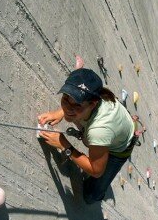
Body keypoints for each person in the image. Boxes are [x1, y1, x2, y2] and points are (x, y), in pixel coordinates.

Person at [38, 69, 136, 204]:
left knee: (91, 195)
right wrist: (62, 113)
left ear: (92, 104)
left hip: (120, 149)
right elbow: (73, 104)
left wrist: (65, 145)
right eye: (66, 98)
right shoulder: (93, 91)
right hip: (116, 125)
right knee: (81, 124)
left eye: (77, 104)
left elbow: (96, 170)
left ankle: (98, 192)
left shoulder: (99, 131)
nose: (68, 107)